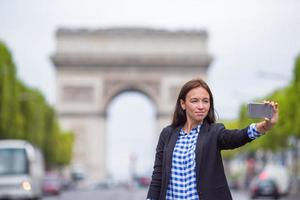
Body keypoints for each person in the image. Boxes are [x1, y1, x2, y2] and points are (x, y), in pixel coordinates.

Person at [146, 78, 279, 200]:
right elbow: (158, 175)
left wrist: (264, 126)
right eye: (194, 101)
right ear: (183, 104)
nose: (201, 106)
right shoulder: (167, 134)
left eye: (205, 101)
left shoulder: (215, 132)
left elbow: (237, 137)